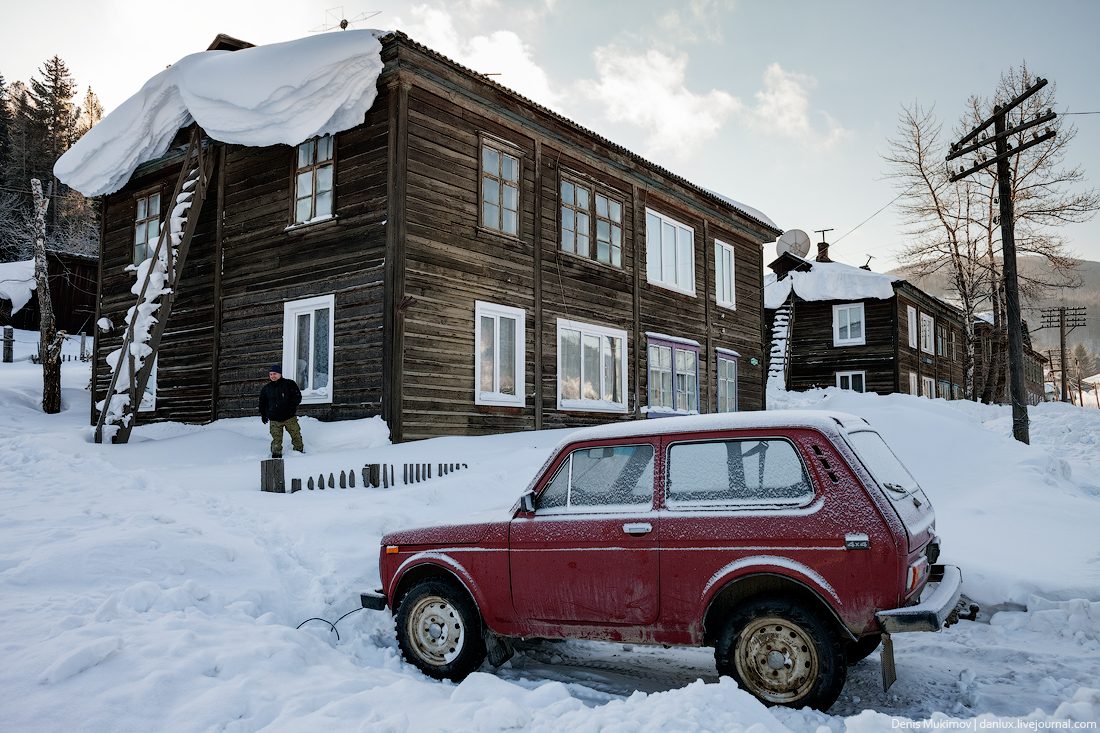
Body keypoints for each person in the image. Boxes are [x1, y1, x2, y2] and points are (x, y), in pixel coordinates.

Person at [259, 364, 303, 459]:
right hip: (274, 419)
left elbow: (297, 396)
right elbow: (262, 403)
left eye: (274, 373)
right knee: (276, 440)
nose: (272, 376)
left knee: (296, 436)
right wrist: (263, 415)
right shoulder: (266, 389)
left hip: (289, 417)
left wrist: (291, 407)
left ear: (280, 373)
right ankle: (276, 457)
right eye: (270, 374)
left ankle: (300, 454)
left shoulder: (289, 384)